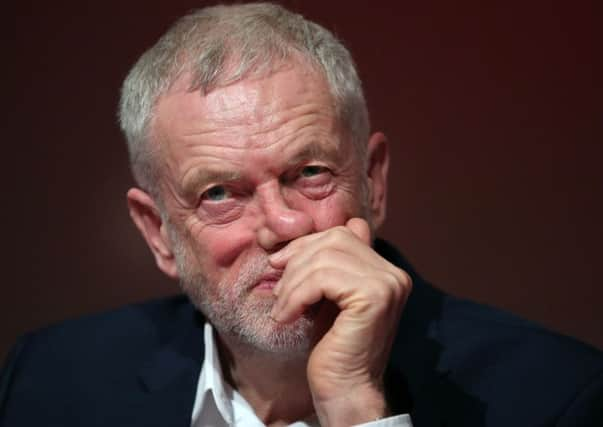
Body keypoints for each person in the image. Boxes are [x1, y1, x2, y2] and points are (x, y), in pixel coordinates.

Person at [1, 3, 601, 426]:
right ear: (158, 232)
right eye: (218, 193)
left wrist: (356, 408)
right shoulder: (50, 380)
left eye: (309, 173)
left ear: (373, 182)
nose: (282, 225)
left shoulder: (557, 396)